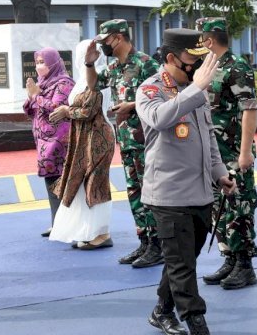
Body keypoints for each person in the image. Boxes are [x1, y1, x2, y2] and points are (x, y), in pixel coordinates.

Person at [136, 27, 236, 335]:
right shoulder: (150, 89)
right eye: (191, 61)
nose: (197, 67)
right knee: (182, 267)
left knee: (183, 261)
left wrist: (220, 173)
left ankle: (162, 310)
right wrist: (195, 88)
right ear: (170, 59)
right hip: (168, 195)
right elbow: (161, 119)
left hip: (200, 192)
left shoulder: (195, 91)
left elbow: (208, 136)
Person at [84, 19, 162, 267]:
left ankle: (158, 245)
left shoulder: (146, 64)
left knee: (151, 192)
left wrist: (132, 106)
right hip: (127, 140)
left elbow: (164, 97)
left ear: (118, 38)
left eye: (105, 41)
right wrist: (89, 62)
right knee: (134, 192)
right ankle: (145, 242)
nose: (103, 45)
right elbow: (94, 85)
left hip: (148, 140)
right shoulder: (114, 66)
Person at [196, 17, 257, 290]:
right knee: (219, 208)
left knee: (239, 207)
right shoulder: (209, 67)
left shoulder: (237, 67)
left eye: (201, 38)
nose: (198, 44)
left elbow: (249, 109)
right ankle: (229, 257)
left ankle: (245, 264)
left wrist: (245, 152)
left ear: (210, 40)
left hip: (233, 151)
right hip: (214, 152)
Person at [48, 39, 114, 250]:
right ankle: (89, 231)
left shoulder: (100, 77)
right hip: (82, 137)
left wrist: (67, 111)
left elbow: (90, 110)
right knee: (80, 183)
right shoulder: (82, 80)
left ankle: (102, 233)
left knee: (95, 183)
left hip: (97, 137)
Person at [23, 48, 75, 237]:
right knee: (51, 181)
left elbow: (57, 109)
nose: (39, 66)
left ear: (54, 62)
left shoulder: (64, 83)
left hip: (59, 142)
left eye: (42, 62)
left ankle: (65, 225)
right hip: (44, 141)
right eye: (36, 62)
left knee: (60, 183)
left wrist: (36, 96)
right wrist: (32, 97)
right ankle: (57, 223)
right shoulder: (43, 83)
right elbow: (30, 110)